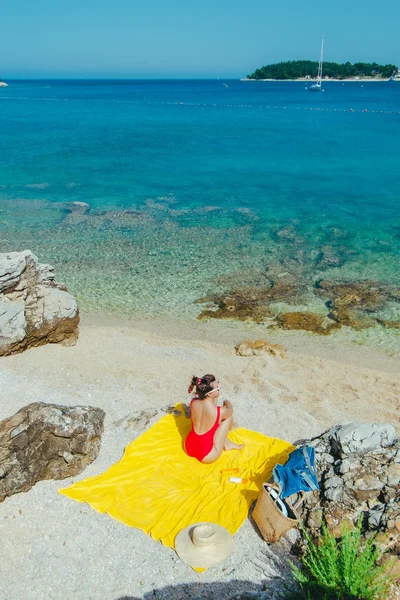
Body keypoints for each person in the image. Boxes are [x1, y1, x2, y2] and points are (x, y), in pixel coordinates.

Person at [184, 374, 243, 464]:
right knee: (227, 417)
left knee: (214, 420)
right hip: (207, 455)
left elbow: (208, 402)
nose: (219, 388)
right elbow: (230, 410)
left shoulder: (193, 402)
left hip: (188, 446)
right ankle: (227, 444)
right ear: (210, 393)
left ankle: (227, 443)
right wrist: (226, 401)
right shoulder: (219, 412)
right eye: (217, 387)